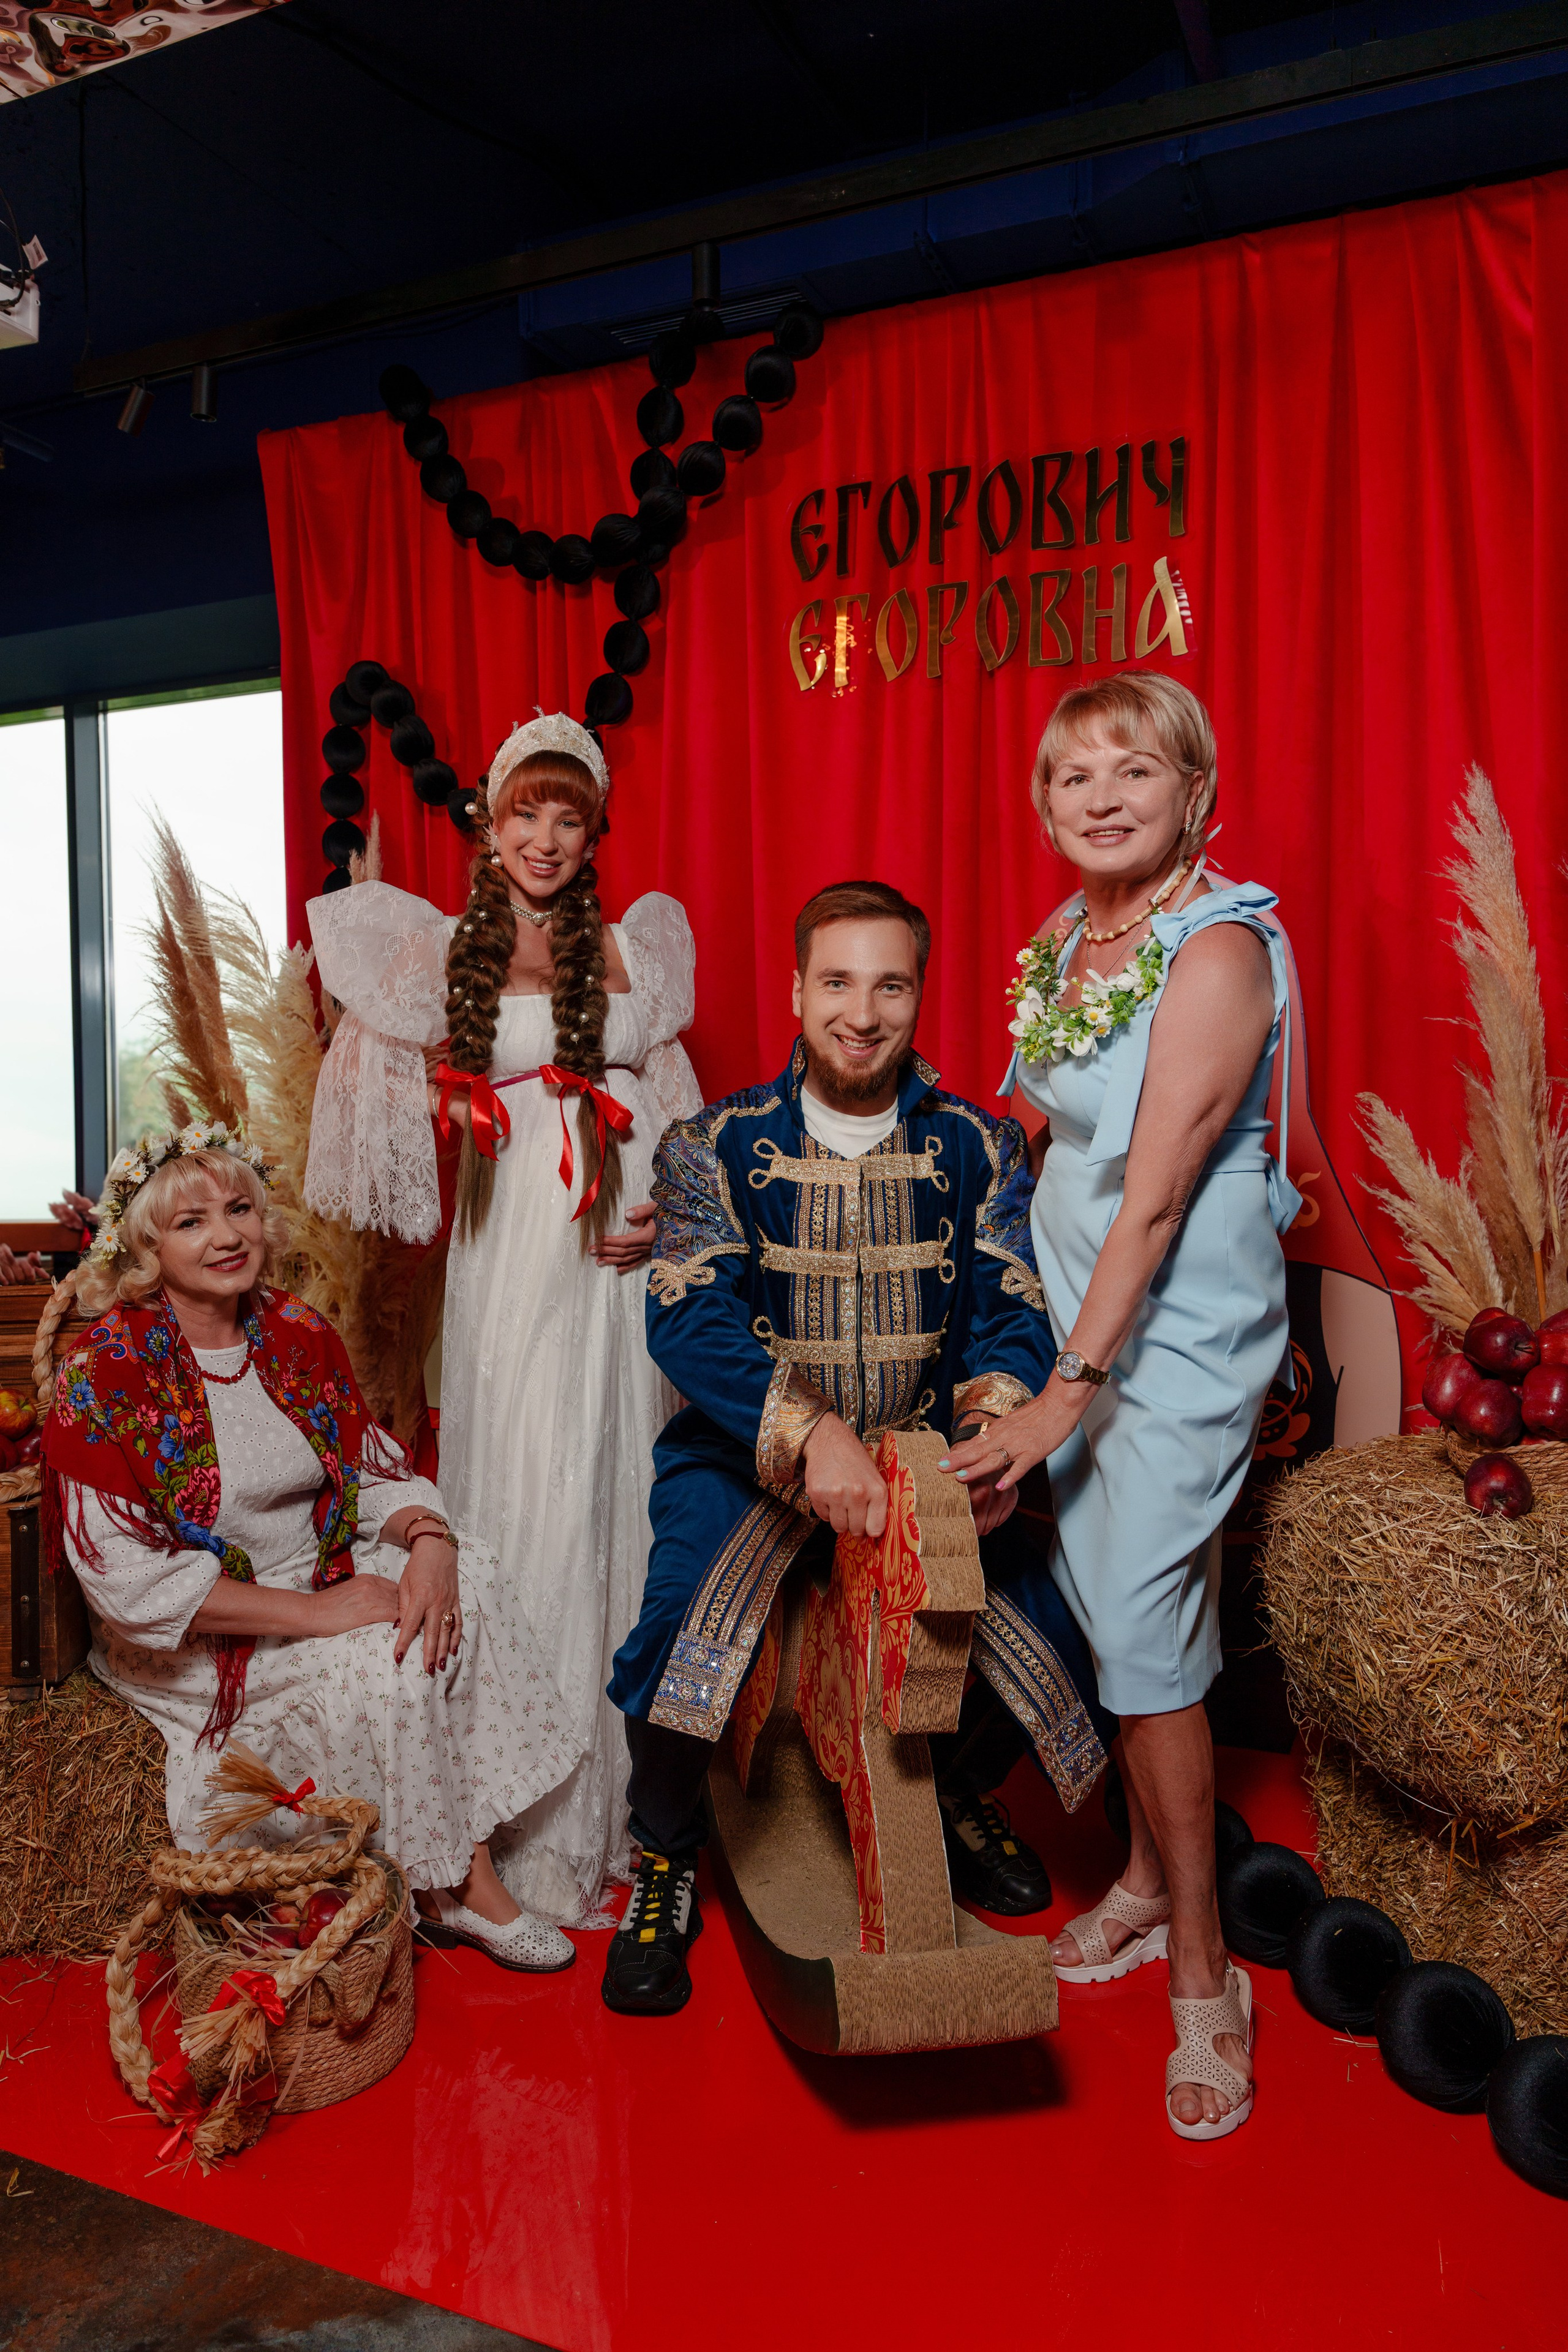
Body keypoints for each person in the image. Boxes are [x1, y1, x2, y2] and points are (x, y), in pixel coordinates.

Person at [599, 880, 1114, 2018]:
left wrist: (984, 1437)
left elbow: (1013, 1312)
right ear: (797, 989)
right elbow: (687, 1318)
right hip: (745, 1453)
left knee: (1060, 1633)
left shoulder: (980, 1142)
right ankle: (667, 1854)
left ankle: (945, 1796)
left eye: (890, 984)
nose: (862, 1012)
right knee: (679, 1629)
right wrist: (809, 1433)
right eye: (837, 982)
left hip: (920, 1450)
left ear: (920, 994)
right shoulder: (711, 1145)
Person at [946, 671, 1298, 2141]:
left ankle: (1204, 1984)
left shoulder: (1215, 953)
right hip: (1077, 1306)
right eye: (1070, 775)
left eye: (1130, 770)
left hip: (1173, 1331)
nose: (1097, 796)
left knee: (1144, 1635)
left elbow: (1153, 1197)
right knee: (1121, 1613)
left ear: (1192, 792)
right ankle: (1148, 1884)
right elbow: (1034, 1122)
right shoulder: (1065, 939)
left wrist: (1060, 1400)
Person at [304, 712, 700, 1926]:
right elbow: (366, 1129)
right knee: (524, 1494)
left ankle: (644, 1817)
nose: (544, 837)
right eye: (523, 813)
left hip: (624, 1262)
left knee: (625, 1492)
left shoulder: (637, 946)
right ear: (489, 822)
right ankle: (519, 1825)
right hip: (514, 1259)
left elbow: (680, 1117)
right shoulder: (439, 950)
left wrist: (678, 1221)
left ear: (592, 833)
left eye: (566, 817)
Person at [43, 1124, 578, 1972]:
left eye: (240, 1208)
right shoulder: (106, 1372)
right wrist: (319, 1613)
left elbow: (367, 1472)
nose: (226, 1236)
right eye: (190, 1223)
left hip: (316, 1567)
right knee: (383, 1656)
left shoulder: (294, 1331)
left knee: (467, 1577)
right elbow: (131, 1588)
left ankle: (447, 1836)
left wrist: (431, 1540)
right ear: (144, 1244)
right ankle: (456, 1884)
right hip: (204, 1631)